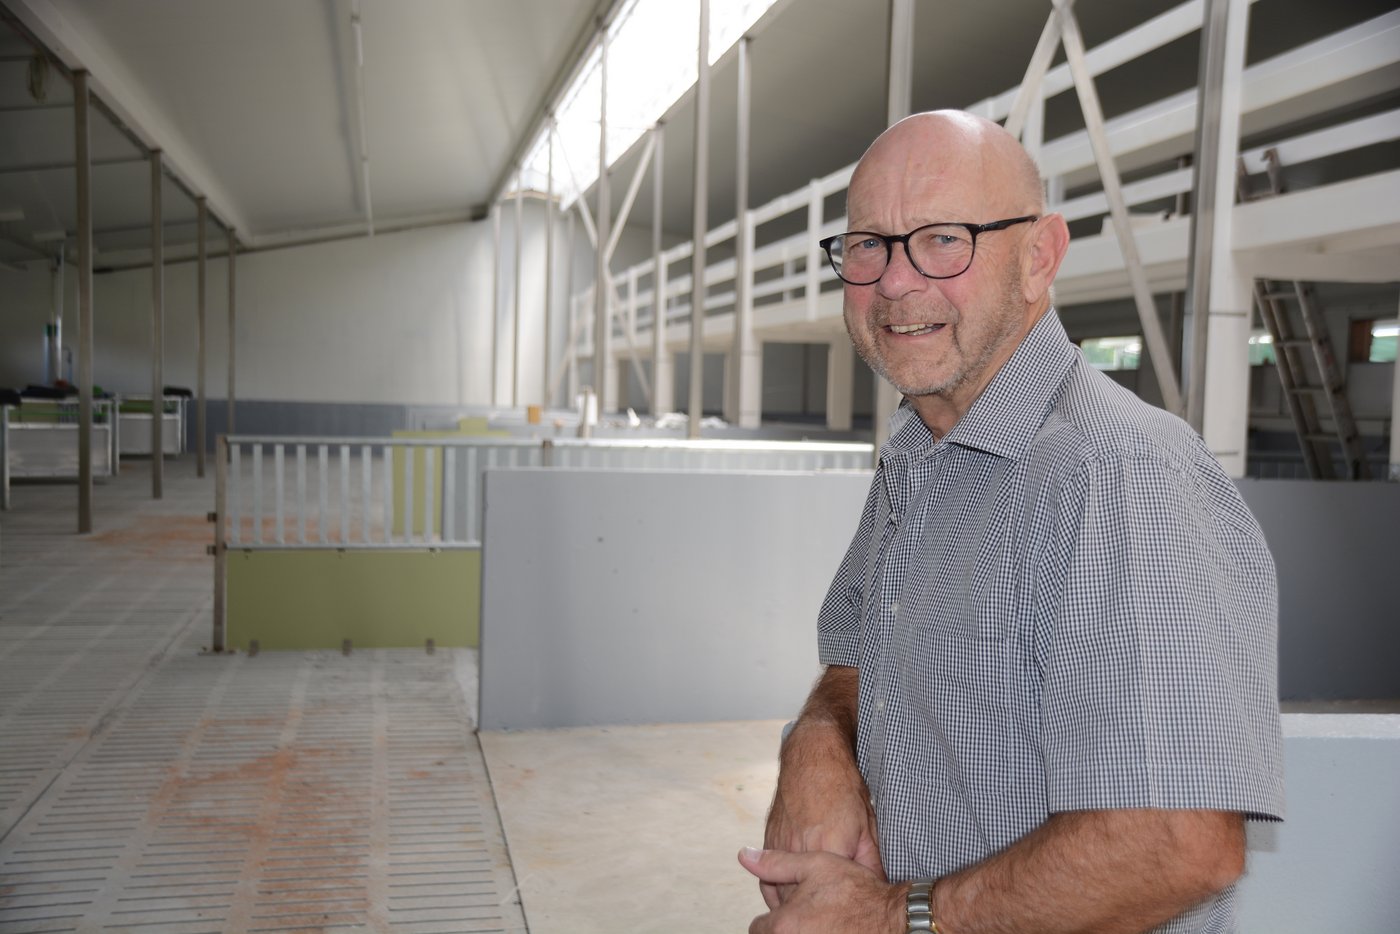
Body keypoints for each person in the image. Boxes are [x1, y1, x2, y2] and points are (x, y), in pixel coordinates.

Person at [737, 110, 1283, 934]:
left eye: (943, 240)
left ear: (1039, 257)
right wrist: (817, 743)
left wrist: (889, 919)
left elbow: (1177, 841)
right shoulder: (920, 451)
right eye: (869, 244)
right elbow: (858, 656)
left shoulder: (1117, 475)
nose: (896, 282)